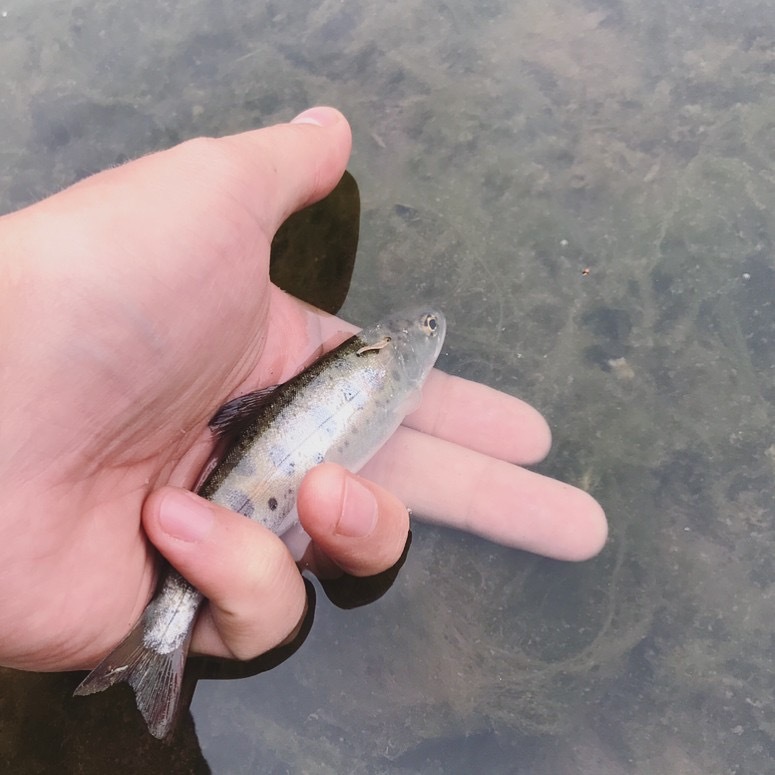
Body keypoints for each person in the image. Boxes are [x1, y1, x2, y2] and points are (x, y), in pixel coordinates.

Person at [0, 106, 607, 675]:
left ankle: (159, 641)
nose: (433, 329)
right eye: (426, 328)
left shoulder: (384, 364)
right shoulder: (381, 363)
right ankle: (161, 640)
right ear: (400, 344)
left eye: (428, 327)